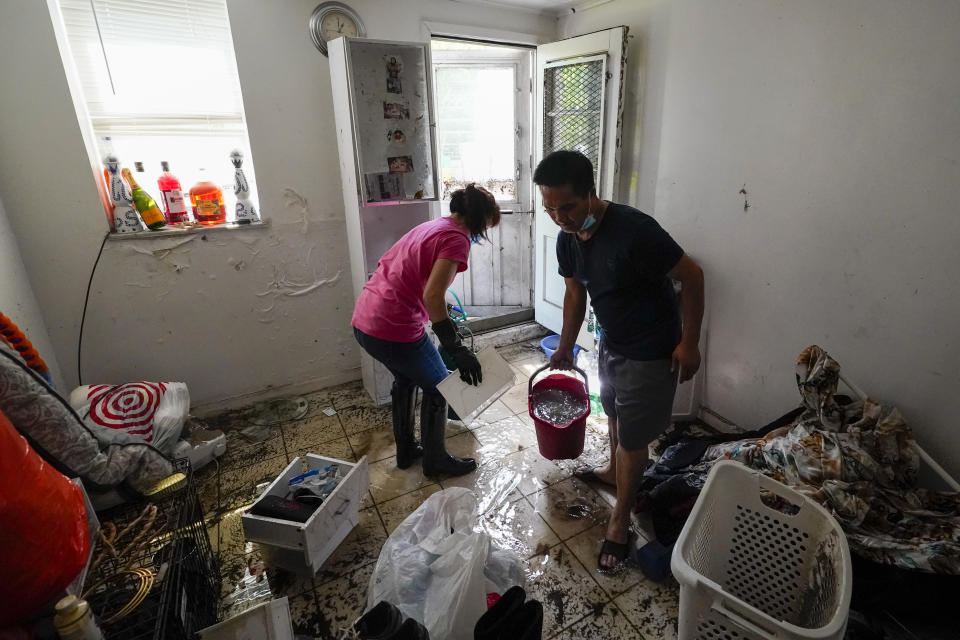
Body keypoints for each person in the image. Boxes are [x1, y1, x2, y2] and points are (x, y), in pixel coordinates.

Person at [533, 150, 705, 571]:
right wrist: (565, 347)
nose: (560, 218)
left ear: (591, 192)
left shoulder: (635, 230)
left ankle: (619, 520)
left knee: (633, 441)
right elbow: (576, 295)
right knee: (612, 415)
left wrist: (689, 342)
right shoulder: (567, 239)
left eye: (568, 207)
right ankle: (613, 472)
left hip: (650, 353)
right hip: (610, 345)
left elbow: (693, 275)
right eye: (550, 209)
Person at [352, 184, 501, 477]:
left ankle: (406, 450)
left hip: (366, 319)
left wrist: (444, 316)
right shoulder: (457, 239)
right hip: (394, 325)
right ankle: (435, 461)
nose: (483, 232)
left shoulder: (433, 226)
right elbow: (432, 296)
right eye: (486, 225)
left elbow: (425, 285)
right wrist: (456, 348)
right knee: (439, 387)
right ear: (478, 219)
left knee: (406, 379)